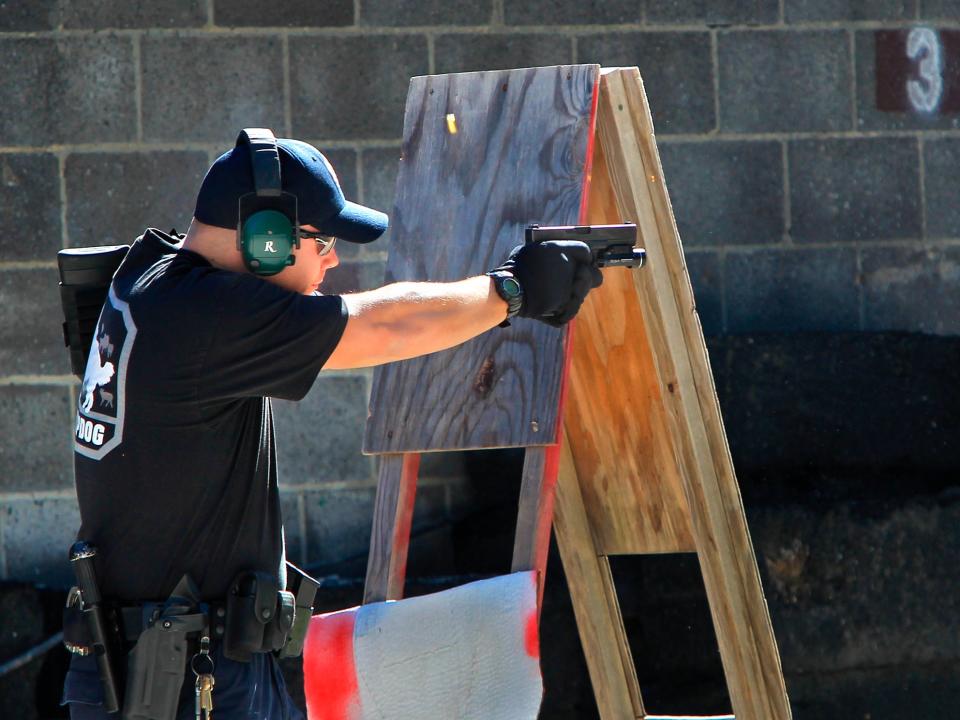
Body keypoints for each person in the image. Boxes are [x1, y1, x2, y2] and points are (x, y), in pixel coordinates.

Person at [61, 129, 602, 719]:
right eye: (321, 241)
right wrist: (511, 292)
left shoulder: (148, 278)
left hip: (172, 663)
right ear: (265, 239)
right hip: (187, 678)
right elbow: (385, 326)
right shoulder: (208, 316)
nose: (332, 258)